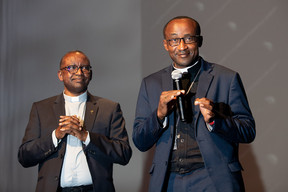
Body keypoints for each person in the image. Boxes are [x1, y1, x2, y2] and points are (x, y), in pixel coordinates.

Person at [133, 16, 255, 192]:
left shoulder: (226, 78)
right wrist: (159, 115)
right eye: (174, 40)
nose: (182, 47)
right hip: (169, 180)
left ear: (199, 41)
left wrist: (215, 120)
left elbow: (248, 131)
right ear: (166, 44)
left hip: (212, 178)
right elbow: (140, 141)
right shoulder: (150, 83)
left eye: (189, 39)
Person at [18, 50, 132, 192]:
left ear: (90, 74)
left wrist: (86, 137)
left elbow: (124, 153)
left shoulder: (109, 108)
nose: (79, 72)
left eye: (84, 68)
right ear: (60, 75)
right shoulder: (41, 108)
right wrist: (56, 136)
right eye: (71, 67)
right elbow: (24, 157)